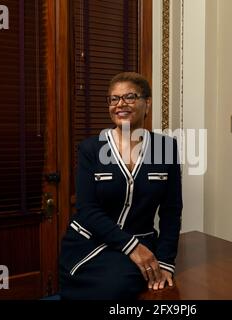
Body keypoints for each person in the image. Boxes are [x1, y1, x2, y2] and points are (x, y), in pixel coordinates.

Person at [59, 72, 183, 300]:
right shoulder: (91, 148)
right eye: (113, 99)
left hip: (142, 240)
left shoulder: (166, 148)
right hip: (88, 243)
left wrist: (166, 261)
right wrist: (132, 247)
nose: (120, 104)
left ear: (147, 102)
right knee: (109, 287)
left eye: (129, 97)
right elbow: (87, 209)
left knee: (128, 285)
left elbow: (171, 211)